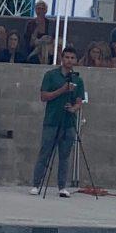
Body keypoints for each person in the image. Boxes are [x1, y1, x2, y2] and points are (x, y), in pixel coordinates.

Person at [28, 45, 84, 198]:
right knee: (44, 153)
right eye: (67, 57)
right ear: (62, 58)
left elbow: (79, 101)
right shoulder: (51, 75)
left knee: (65, 156)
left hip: (69, 123)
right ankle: (36, 184)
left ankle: (62, 186)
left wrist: (74, 108)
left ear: (76, 60)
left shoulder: (78, 79)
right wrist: (63, 90)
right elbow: (44, 96)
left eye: (72, 58)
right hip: (52, 121)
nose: (69, 60)